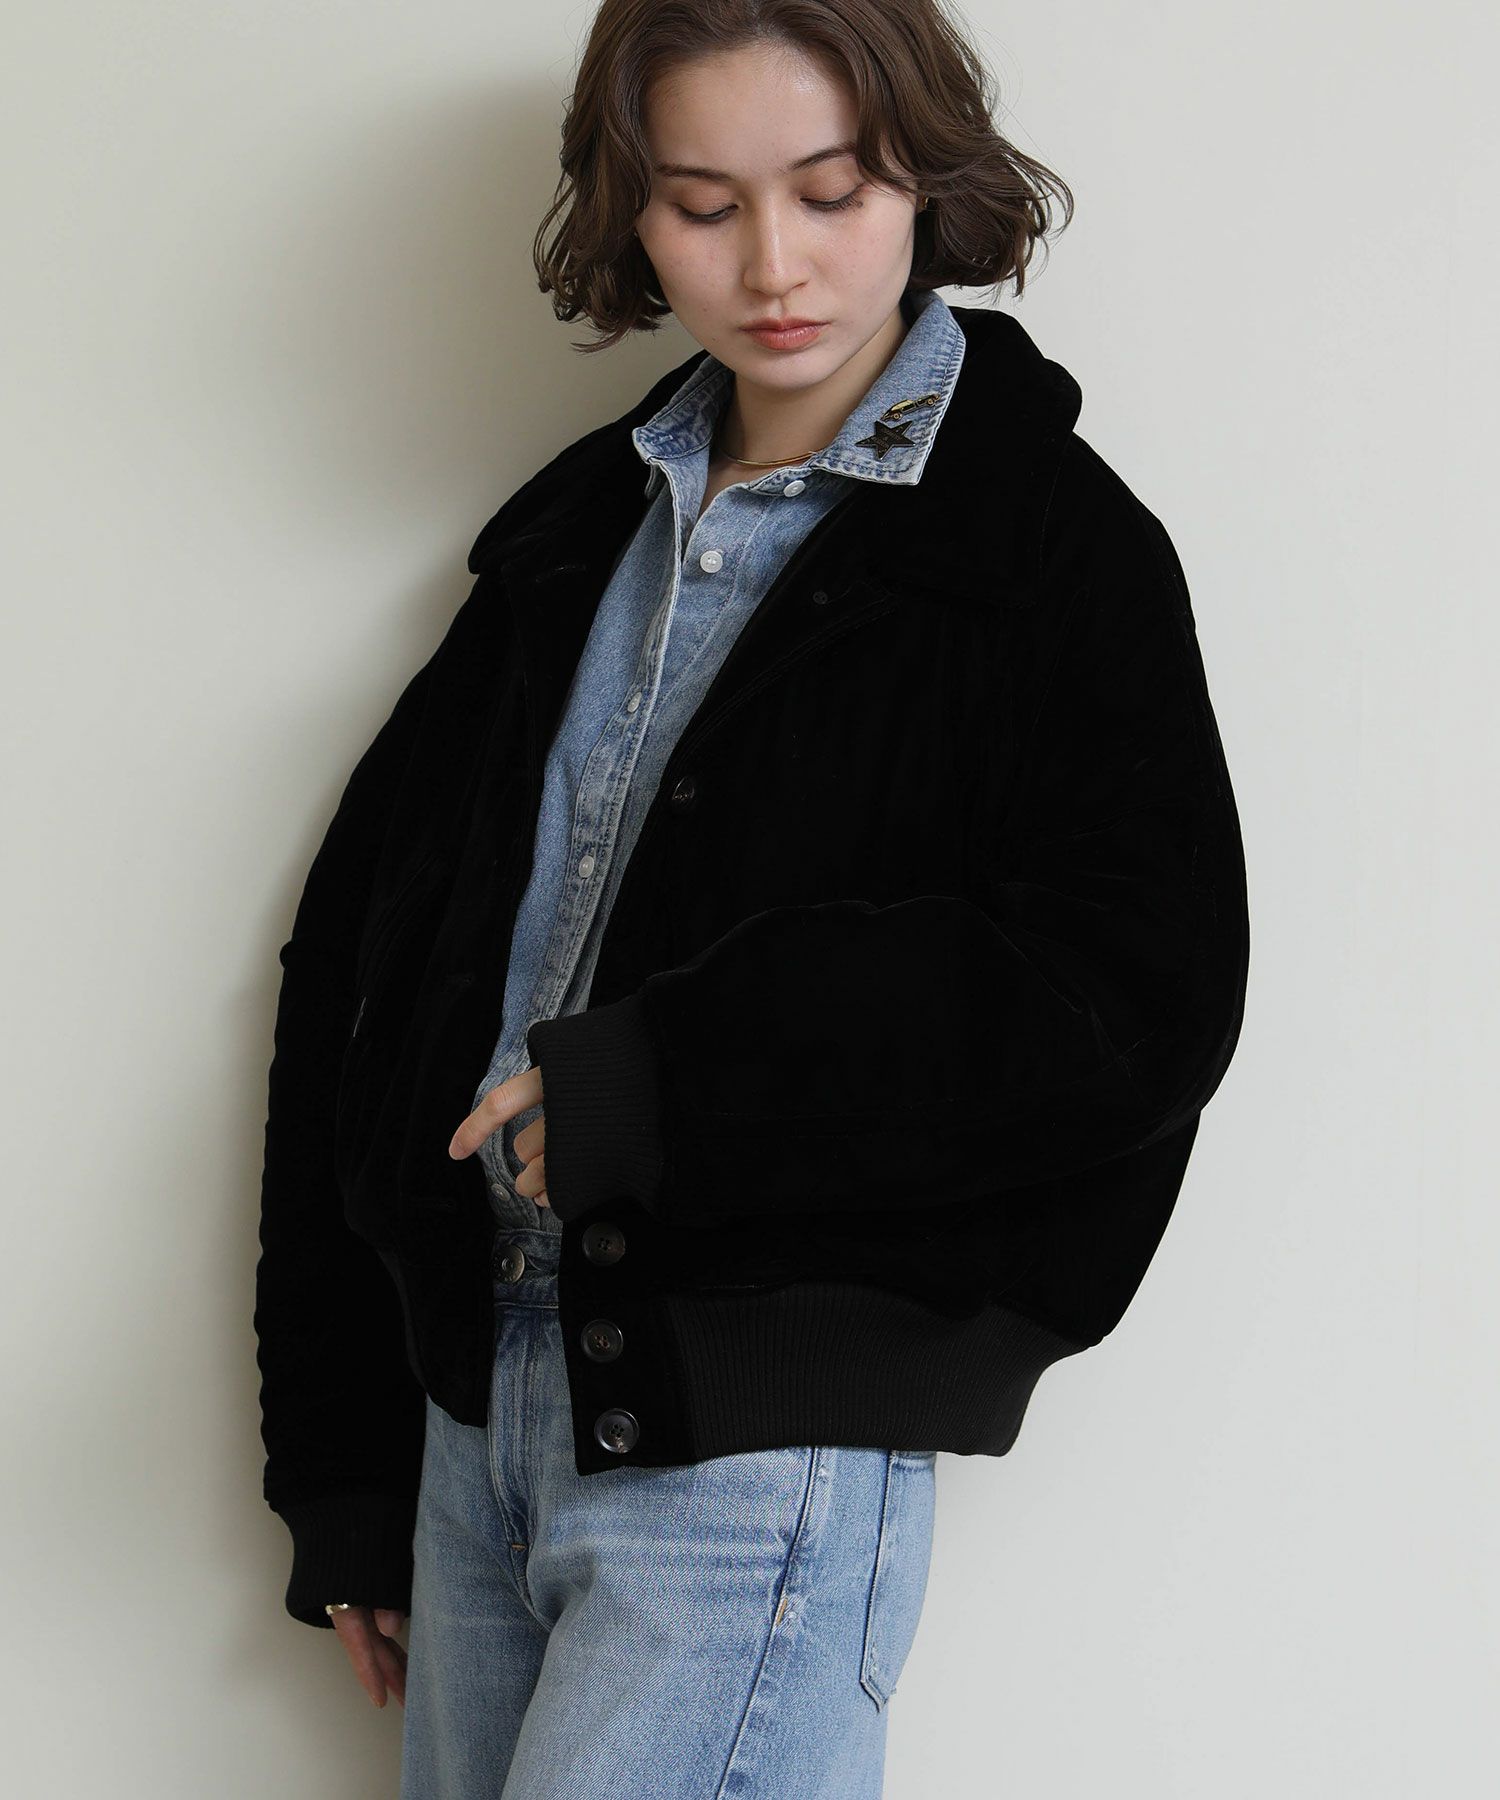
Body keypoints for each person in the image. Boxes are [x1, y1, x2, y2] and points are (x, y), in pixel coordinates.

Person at [253, 1, 1251, 1794]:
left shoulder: (1043, 546)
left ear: (925, 182)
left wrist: (669, 1081)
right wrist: (345, 1462)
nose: (774, 265)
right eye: (704, 205)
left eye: (832, 191)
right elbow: (361, 983)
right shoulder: (570, 539)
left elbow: (1131, 999)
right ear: (631, 210)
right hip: (473, 1431)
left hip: (743, 1466)